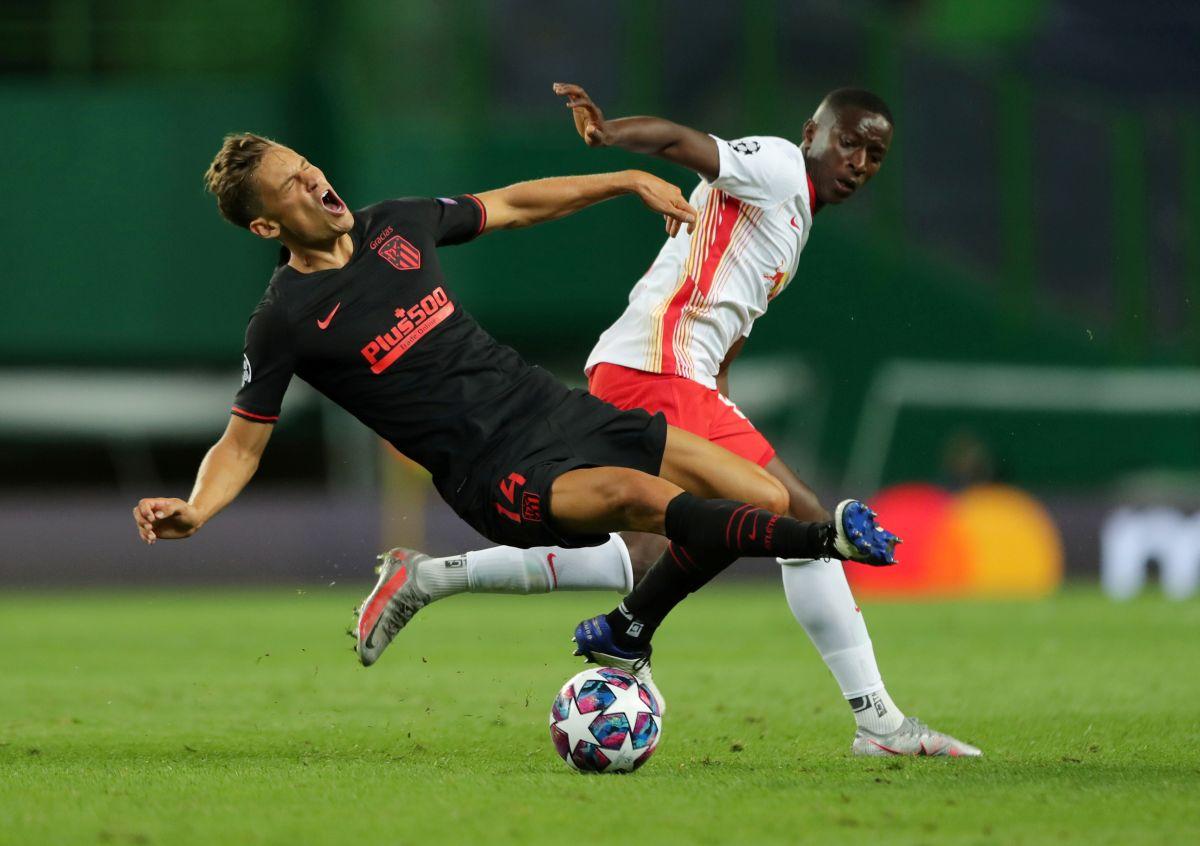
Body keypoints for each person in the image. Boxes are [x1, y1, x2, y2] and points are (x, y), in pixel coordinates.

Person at [130, 134, 899, 713]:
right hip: (495, 472)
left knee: (756, 496)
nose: (313, 180)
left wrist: (626, 178)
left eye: (307, 166)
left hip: (554, 407)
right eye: (291, 186)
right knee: (642, 499)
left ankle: (626, 632)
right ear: (267, 227)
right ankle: (824, 538)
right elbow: (242, 443)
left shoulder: (395, 225)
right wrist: (197, 507)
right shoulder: (285, 321)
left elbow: (519, 203)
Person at [363, 84, 979, 758]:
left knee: (646, 552)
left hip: (677, 373)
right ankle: (876, 720)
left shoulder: (794, 215)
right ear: (813, 133)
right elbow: (683, 144)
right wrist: (609, 136)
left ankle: (431, 579)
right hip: (655, 367)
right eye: (850, 141)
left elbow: (724, 313)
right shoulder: (777, 166)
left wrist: (720, 394)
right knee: (797, 523)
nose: (859, 160)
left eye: (876, 154)